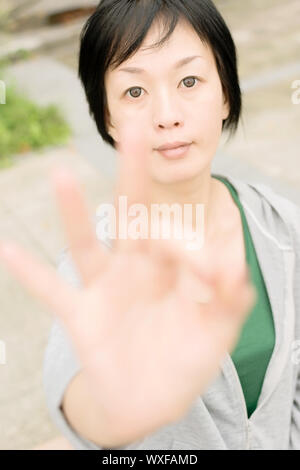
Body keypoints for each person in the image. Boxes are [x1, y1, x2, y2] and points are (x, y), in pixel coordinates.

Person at [0, 0, 299, 450]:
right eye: (134, 92)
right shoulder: (100, 262)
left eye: (190, 80)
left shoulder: (283, 225)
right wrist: (112, 411)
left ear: (225, 94)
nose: (167, 114)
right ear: (106, 116)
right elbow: (86, 407)